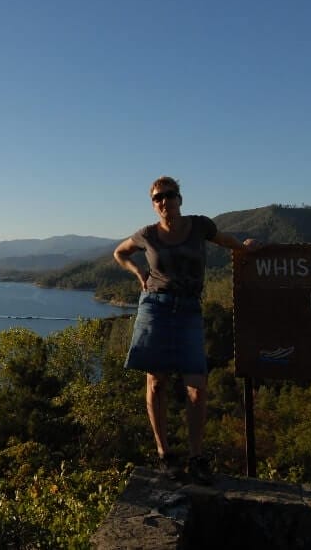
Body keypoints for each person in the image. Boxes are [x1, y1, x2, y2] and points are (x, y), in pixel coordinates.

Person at [113, 176, 260, 482]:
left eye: (169, 195)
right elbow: (120, 252)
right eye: (158, 198)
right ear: (153, 205)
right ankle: (164, 453)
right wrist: (138, 271)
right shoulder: (147, 235)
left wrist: (245, 248)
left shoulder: (199, 226)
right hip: (155, 305)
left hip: (189, 308)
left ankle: (196, 455)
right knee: (156, 382)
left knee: (197, 384)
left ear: (180, 199)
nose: (164, 201)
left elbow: (225, 241)